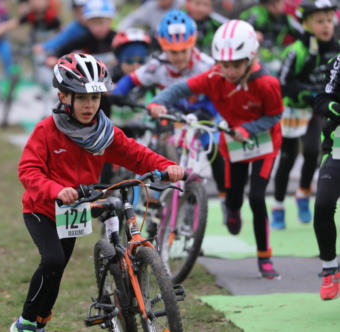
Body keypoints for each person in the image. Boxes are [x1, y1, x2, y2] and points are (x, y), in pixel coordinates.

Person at [11, 52, 184, 332]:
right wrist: (57, 189)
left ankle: (42, 320)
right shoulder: (46, 131)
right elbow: (28, 171)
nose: (89, 105)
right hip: (42, 209)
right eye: (81, 98)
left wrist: (167, 166)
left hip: (76, 209)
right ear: (64, 97)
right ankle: (27, 322)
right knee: (53, 261)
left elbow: (136, 154)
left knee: (57, 270)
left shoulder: (105, 133)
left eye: (95, 98)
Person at [148, 19, 284, 279]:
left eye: (237, 65)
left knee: (256, 198)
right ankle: (232, 211)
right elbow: (180, 88)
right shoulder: (214, 77)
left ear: (251, 57)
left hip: (264, 144)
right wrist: (158, 102)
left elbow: (275, 115)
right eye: (225, 65)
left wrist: (249, 129)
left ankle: (265, 256)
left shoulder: (267, 83)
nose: (230, 71)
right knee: (233, 198)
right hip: (233, 145)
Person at [112, 10, 227, 207]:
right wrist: (116, 94)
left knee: (215, 153)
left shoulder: (207, 65)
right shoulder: (157, 66)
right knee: (160, 148)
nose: (180, 57)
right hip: (170, 117)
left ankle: (226, 199)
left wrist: (207, 113)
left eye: (184, 50)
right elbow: (130, 80)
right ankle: (157, 194)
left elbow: (220, 95)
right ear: (164, 48)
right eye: (173, 52)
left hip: (203, 114)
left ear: (193, 45)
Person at [271, 0, 339, 230]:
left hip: (318, 110)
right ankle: (278, 205)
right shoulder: (296, 51)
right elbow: (282, 83)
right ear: (306, 24)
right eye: (320, 21)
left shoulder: (335, 48)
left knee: (312, 152)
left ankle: (303, 193)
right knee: (287, 158)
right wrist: (308, 94)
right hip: (293, 110)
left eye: (329, 20)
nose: (326, 26)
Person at [313, 53, 340, 300]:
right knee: (322, 205)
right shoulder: (338, 62)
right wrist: (336, 109)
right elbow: (321, 100)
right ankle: (330, 266)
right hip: (337, 151)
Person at [45, 0, 116, 67]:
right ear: (87, 23)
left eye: (101, 23)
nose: (97, 28)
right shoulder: (83, 39)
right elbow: (64, 49)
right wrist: (54, 57)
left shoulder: (116, 39)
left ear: (110, 21)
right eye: (93, 23)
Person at [240, 0, 303, 75]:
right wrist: (252, 35)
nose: (276, 6)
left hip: (275, 55)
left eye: (278, 2)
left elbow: (303, 33)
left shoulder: (286, 18)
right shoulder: (256, 13)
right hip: (255, 56)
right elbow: (242, 30)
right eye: (272, 3)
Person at [117, 0, 184, 36]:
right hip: (156, 42)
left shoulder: (182, 5)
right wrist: (121, 31)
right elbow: (131, 18)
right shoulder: (150, 6)